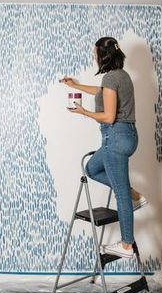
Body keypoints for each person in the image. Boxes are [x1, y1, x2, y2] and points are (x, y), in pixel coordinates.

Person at [60, 37, 147, 258]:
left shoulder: (110, 78)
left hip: (114, 138)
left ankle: (126, 245)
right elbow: (101, 91)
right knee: (91, 169)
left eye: (95, 53)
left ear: (103, 55)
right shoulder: (122, 76)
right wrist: (75, 85)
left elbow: (108, 117)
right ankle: (134, 194)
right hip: (128, 136)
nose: (93, 57)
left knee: (120, 194)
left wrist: (84, 112)